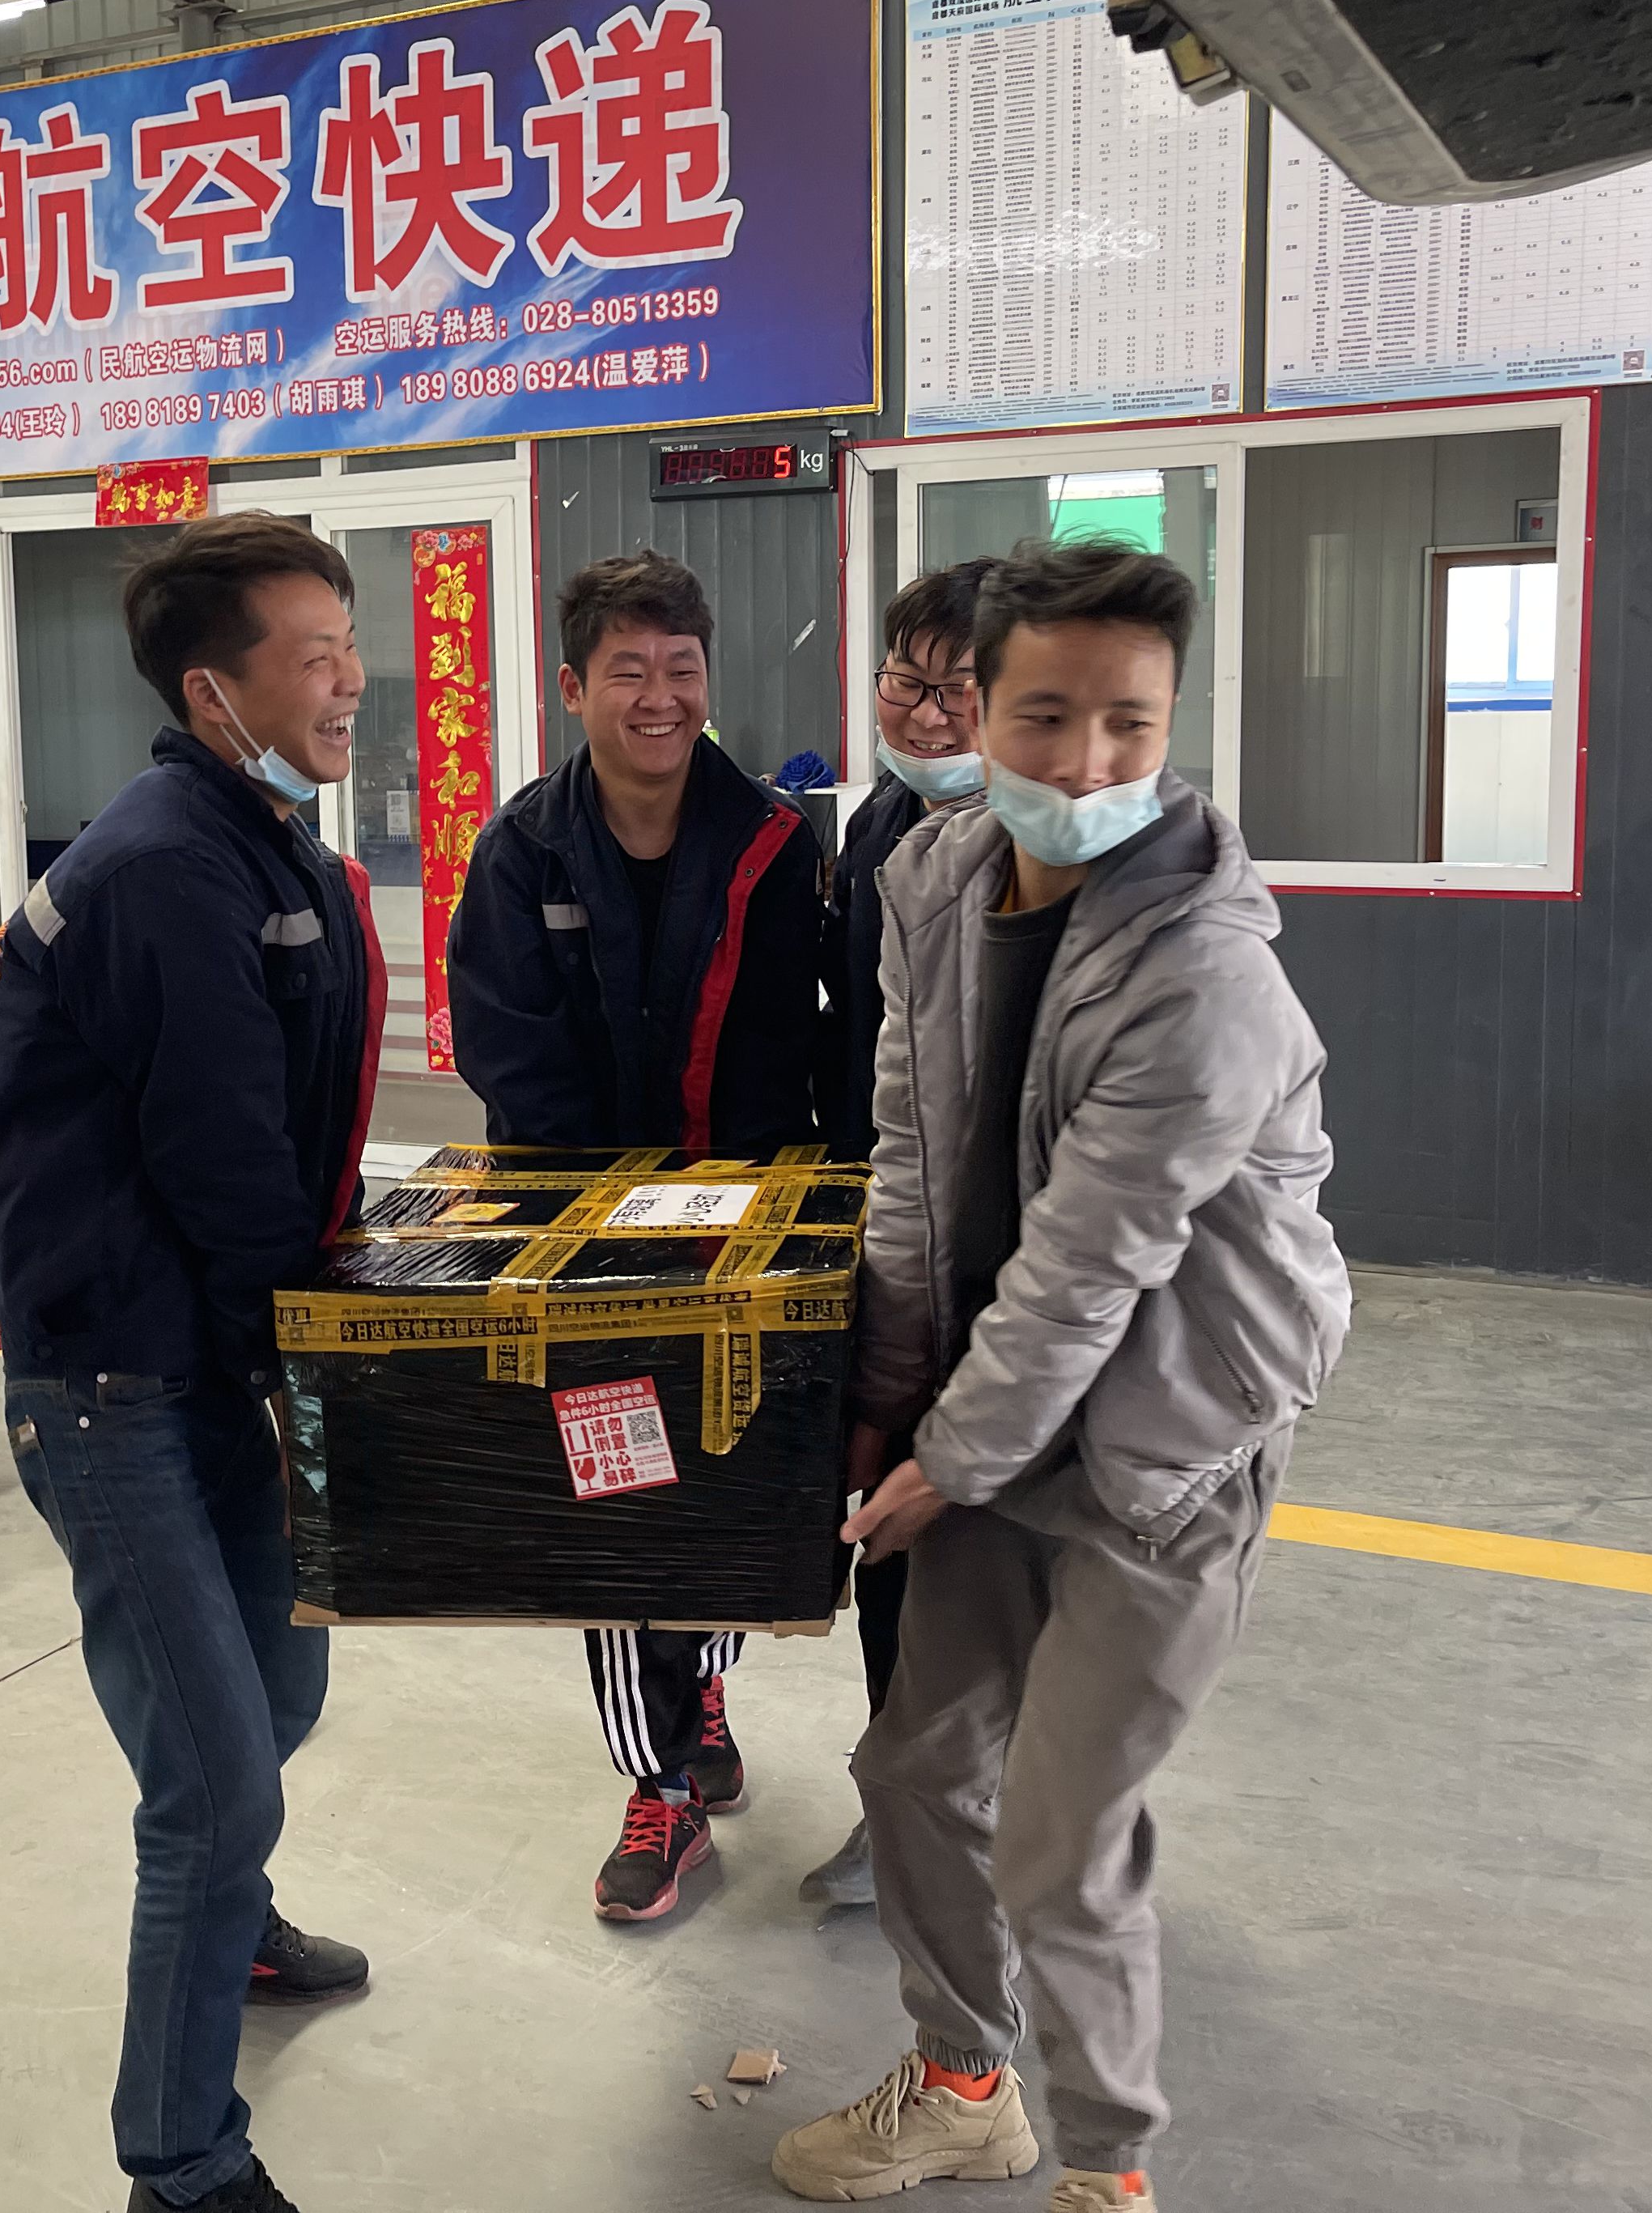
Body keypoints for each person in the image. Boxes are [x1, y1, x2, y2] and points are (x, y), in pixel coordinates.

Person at [767, 541, 1348, 2211]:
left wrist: (940, 1458)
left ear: (1170, 724)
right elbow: (908, 1162)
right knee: (914, 1769)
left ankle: (1109, 2168)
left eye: (1127, 723)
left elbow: (1091, 1265)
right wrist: (886, 1397)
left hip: (1167, 1439)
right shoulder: (933, 880)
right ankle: (966, 2087)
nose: (1085, 763)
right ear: (979, 704)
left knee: (1058, 1841)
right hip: (994, 1406)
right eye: (1043, 715)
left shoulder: (1207, 973)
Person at [0, 512, 384, 2213]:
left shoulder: (258, 836)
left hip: (216, 1351)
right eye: (315, 655)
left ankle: (241, 1924)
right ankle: (181, 2158)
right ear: (214, 690)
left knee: (279, 1698)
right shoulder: (166, 866)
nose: (350, 681)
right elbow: (225, 1161)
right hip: (116, 1380)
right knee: (212, 1786)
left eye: (351, 646)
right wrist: (330, 1353)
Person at [444, 547, 822, 1924]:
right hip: (582, 1249)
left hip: (738, 1240)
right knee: (615, 1505)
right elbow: (508, 1051)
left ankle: (701, 1678)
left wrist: (752, 1216)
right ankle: (658, 1782)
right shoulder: (522, 849)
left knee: (721, 1485)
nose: (659, 697)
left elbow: (786, 1047)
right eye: (628, 672)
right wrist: (605, 1226)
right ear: (572, 687)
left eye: (681, 668)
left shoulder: (774, 840)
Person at [799, 558, 991, 1916]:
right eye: (904, 683)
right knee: (892, 1546)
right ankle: (906, 1813)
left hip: (1006, 1266)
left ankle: (1000, 1837)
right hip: (891, 1233)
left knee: (998, 1557)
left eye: (958, 690)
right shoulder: (875, 825)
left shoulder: (1052, 849)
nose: (926, 716)